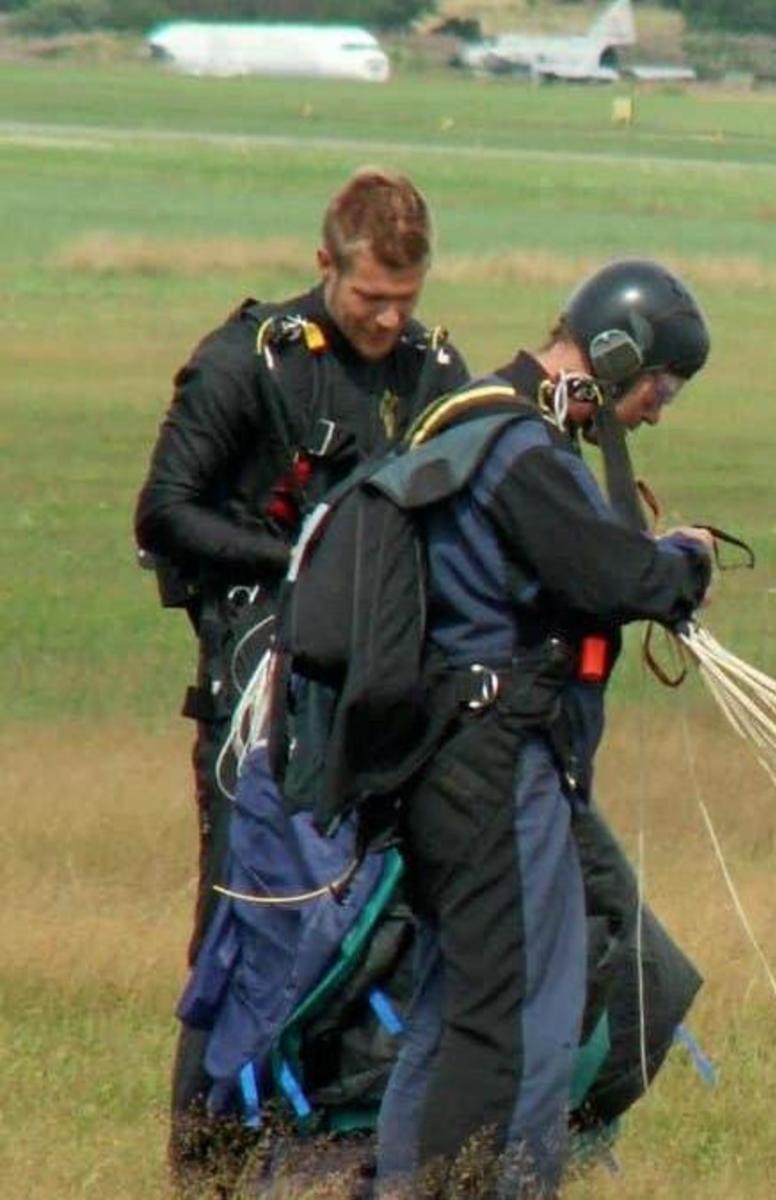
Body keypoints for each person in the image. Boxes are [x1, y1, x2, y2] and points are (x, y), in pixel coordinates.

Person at [133, 165, 470, 1186]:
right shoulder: (248, 363)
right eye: (371, 296)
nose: (388, 318)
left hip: (387, 714)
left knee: (374, 937)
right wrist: (305, 567)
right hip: (259, 718)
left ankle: (326, 1154)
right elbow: (164, 512)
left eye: (405, 300)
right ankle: (208, 1167)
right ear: (325, 264)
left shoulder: (432, 371)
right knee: (244, 938)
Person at [372, 258, 716, 1198]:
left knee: (450, 1006)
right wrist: (682, 565)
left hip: (449, 761)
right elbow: (615, 578)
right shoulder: (519, 446)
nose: (654, 409)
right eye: (659, 386)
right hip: (497, 763)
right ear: (617, 356)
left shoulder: (480, 418)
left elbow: (583, 562)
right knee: (527, 1016)